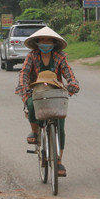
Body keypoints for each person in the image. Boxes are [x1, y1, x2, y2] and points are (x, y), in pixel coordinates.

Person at [15, 26, 80, 177]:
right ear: (37, 42)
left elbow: (69, 74)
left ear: (53, 43)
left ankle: (58, 162)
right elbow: (24, 73)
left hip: (55, 91)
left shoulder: (60, 57)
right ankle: (35, 131)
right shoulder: (32, 56)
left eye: (48, 40)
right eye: (42, 40)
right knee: (31, 105)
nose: (45, 43)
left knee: (60, 125)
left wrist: (72, 83)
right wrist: (24, 87)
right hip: (35, 90)